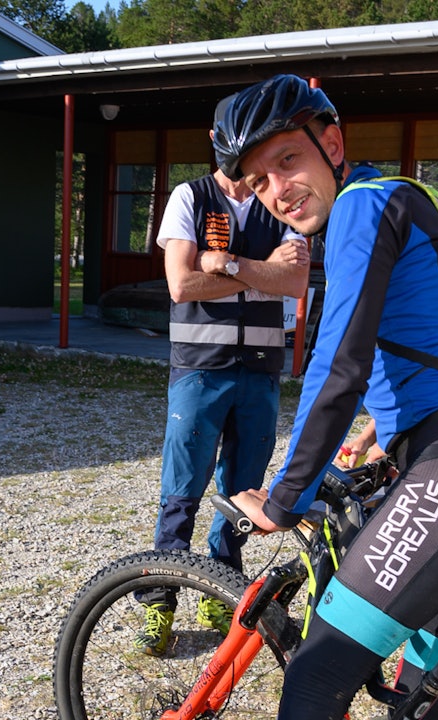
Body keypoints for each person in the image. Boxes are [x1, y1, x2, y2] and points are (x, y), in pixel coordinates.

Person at [218, 74, 438, 720]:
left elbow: (338, 365)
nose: (278, 189)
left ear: (332, 144)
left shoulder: (362, 206)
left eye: (287, 160)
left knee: (315, 679)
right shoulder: (406, 201)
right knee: (423, 708)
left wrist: (284, 498)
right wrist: (387, 430)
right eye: (259, 181)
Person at [134, 93, 311, 656]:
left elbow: (295, 283)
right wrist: (260, 272)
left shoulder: (279, 202)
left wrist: (227, 263)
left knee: (241, 494)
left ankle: (220, 589)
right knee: (180, 492)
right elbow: (181, 285)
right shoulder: (190, 196)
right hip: (199, 369)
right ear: (218, 142)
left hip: (260, 371)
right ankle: (159, 603)